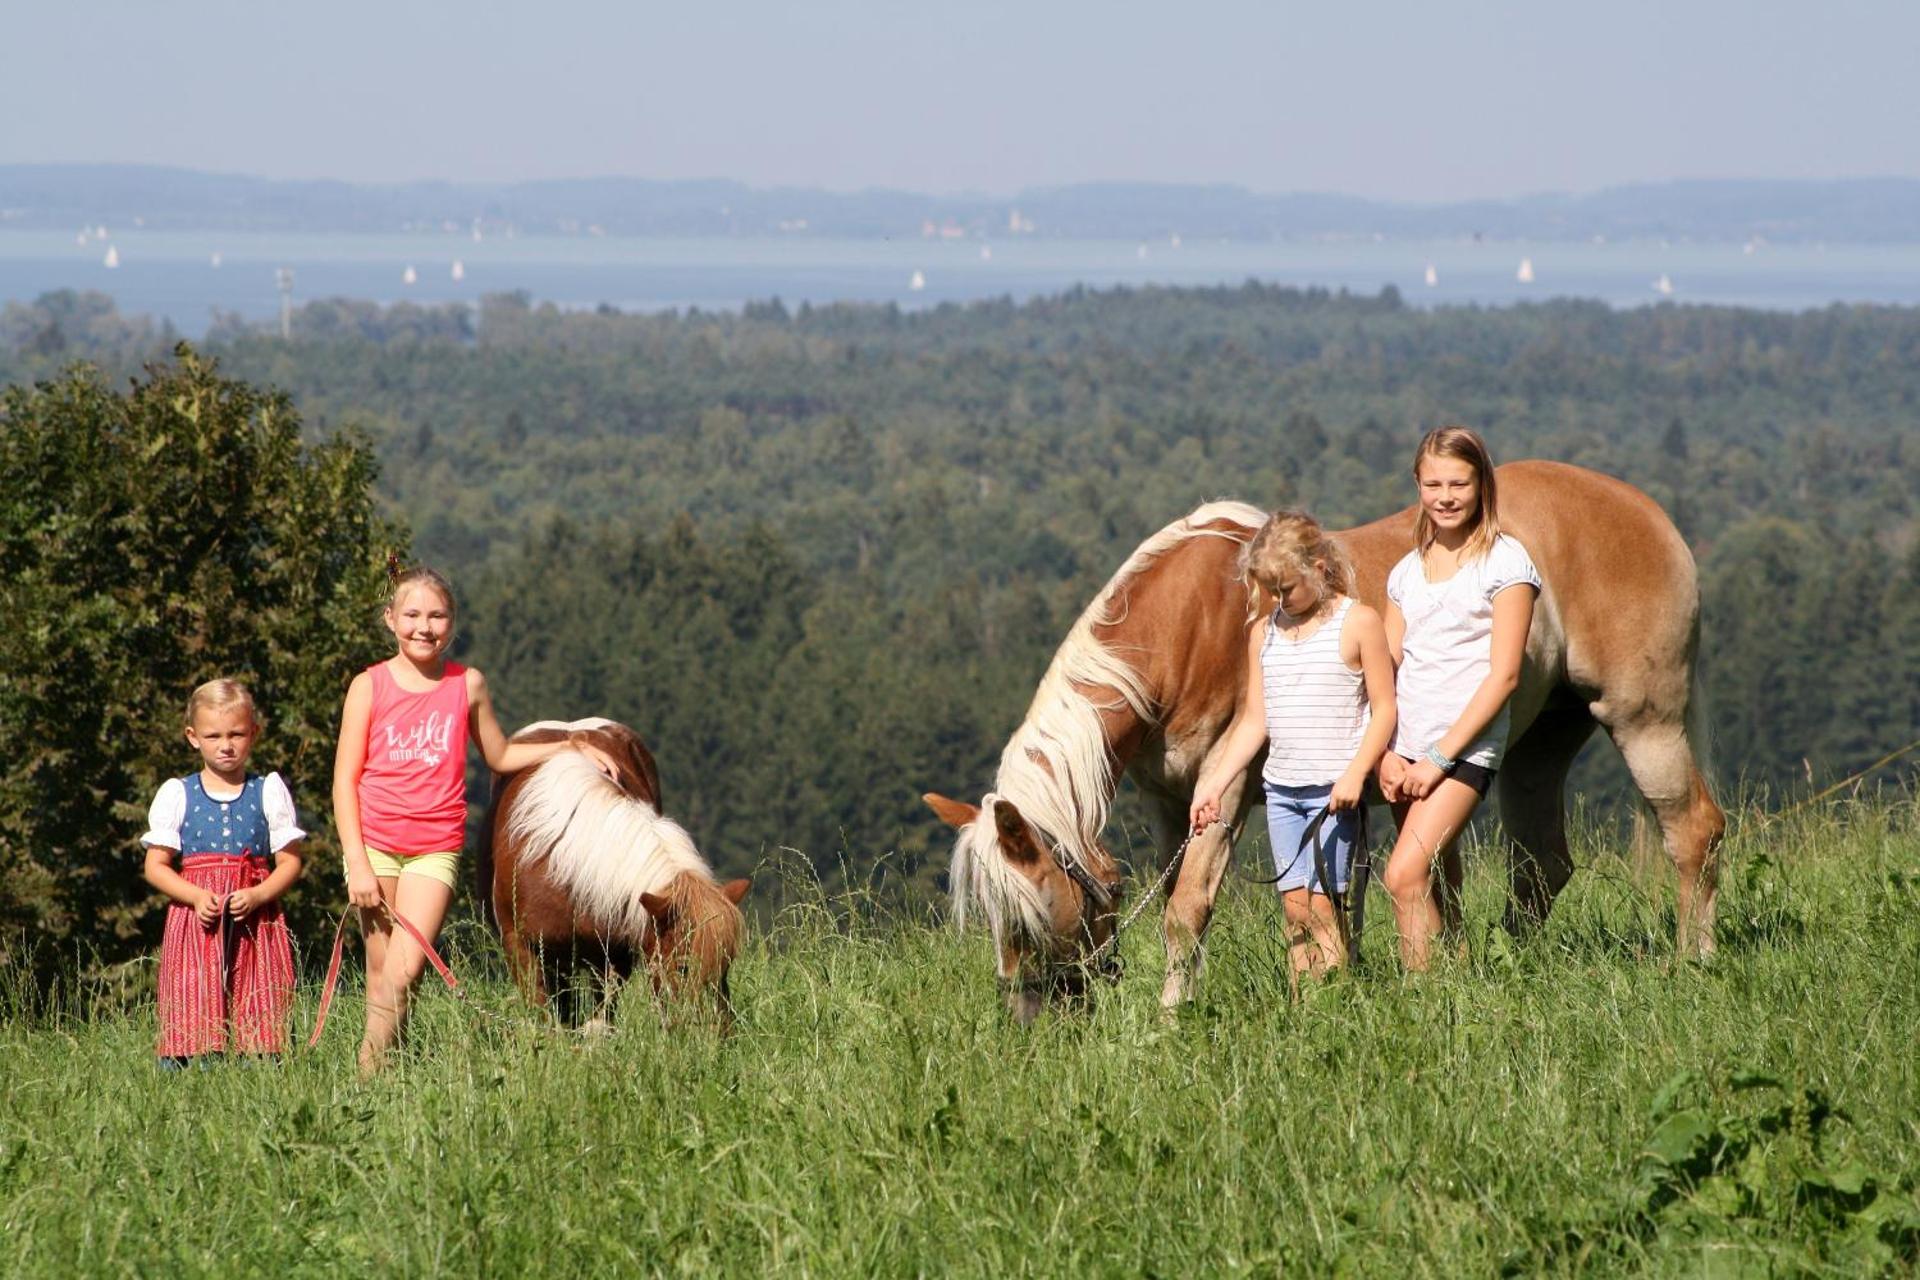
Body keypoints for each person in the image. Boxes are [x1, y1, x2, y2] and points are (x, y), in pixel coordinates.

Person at [333, 565, 621, 1075]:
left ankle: (364, 1075)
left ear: (453, 622)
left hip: (434, 848)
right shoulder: (368, 686)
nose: (425, 627)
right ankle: (393, 1076)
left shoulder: (466, 685)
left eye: (437, 616)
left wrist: (573, 746)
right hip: (374, 845)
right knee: (383, 975)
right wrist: (356, 861)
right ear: (390, 619)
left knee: (405, 970)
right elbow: (344, 780)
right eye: (413, 615)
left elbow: (501, 754)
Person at [1190, 511, 1396, 983]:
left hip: (1333, 793)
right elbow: (1254, 722)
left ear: (1319, 568)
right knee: (1295, 913)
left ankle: (1334, 1012)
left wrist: (1354, 774)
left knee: (1327, 911)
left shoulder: (1359, 622)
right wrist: (1215, 787)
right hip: (1283, 795)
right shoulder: (1264, 634)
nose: (1276, 601)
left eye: (1285, 589)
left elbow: (1384, 709)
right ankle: (1302, 1014)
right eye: (1269, 591)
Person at [1378, 426, 1540, 970]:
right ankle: (1457, 986)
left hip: (1462, 751)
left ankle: (1419, 1011)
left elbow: (1505, 676)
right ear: (1418, 486)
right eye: (1432, 484)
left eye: (1459, 484)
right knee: (1438, 882)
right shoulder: (1406, 571)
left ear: (1481, 486)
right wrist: (1385, 750)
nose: (1445, 497)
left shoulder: (1506, 564)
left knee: (1403, 875)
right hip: (1406, 750)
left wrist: (1441, 757)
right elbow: (1389, 666)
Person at [141, 679, 304, 1066]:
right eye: (213, 736)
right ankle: (189, 1076)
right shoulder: (178, 793)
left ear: (254, 734)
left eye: (236, 734)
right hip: (197, 921)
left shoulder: (267, 790)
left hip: (256, 919)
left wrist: (261, 894)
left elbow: (291, 861)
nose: (226, 745)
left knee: (260, 993)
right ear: (193, 737)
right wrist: (196, 896)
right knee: (193, 996)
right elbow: (156, 866)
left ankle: (261, 1074)